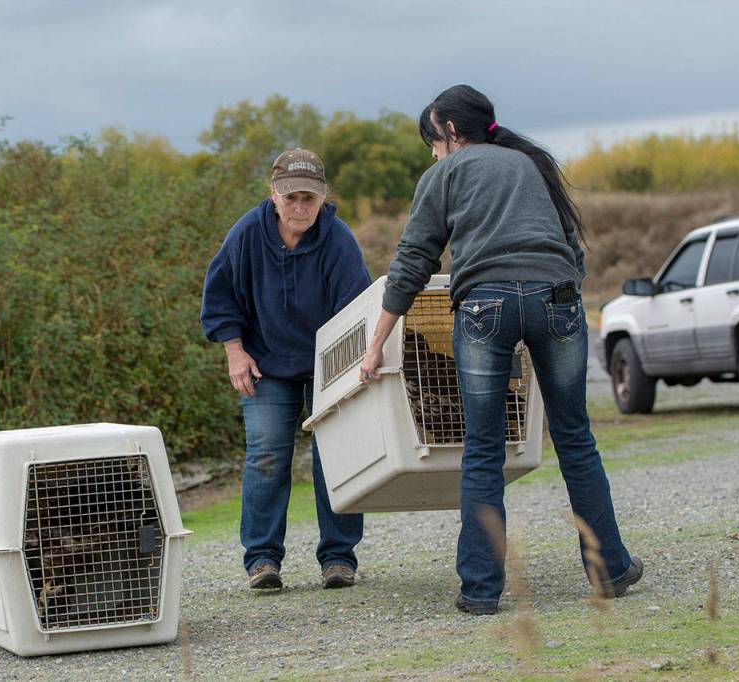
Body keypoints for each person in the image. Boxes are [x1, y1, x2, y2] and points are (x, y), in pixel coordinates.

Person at [359, 85, 642, 615]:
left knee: (484, 449)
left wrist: (377, 343)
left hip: (484, 306)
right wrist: (561, 295)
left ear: (448, 130)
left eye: (432, 142)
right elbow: (571, 247)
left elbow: (413, 260)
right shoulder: (530, 165)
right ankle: (609, 571)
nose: (433, 154)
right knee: (575, 438)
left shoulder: (444, 174)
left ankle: (481, 591)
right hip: (555, 297)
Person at [201, 148, 370, 590]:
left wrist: (350, 370)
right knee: (267, 456)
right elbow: (220, 299)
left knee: (334, 456)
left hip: (328, 363)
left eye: (309, 199)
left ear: (323, 198)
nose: (300, 208)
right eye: (290, 197)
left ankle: (338, 557)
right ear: (273, 194)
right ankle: (261, 560)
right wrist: (234, 352)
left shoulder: (339, 240)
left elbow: (357, 310)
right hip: (264, 362)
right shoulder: (246, 235)